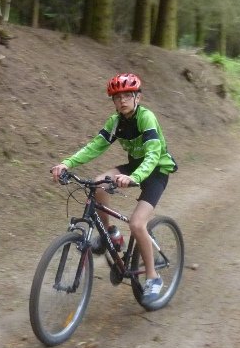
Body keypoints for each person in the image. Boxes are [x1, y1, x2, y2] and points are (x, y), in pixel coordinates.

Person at [51, 73, 178, 304]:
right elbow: (94, 147)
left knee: (137, 223)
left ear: (137, 97)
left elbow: (153, 154)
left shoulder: (146, 118)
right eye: (117, 97)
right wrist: (66, 163)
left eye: (127, 95)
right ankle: (111, 235)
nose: (122, 101)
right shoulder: (116, 121)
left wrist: (133, 177)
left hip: (157, 170)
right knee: (99, 183)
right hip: (134, 168)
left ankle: (152, 277)